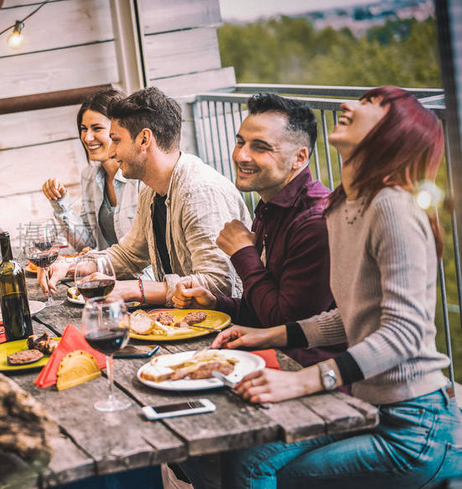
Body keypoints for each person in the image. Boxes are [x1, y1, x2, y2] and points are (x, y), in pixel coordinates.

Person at [204, 87, 462, 488]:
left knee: (255, 468)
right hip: (366, 404)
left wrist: (301, 380)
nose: (347, 105)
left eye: (370, 105)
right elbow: (353, 315)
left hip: (414, 423)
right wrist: (270, 334)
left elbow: (404, 334)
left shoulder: (392, 205)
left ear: (394, 134)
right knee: (244, 453)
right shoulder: (343, 205)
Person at [173, 93, 341, 368]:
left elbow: (284, 325)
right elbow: (262, 310)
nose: (241, 155)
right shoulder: (271, 205)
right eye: (240, 142)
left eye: (260, 147)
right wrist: (215, 304)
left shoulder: (315, 222)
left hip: (309, 372)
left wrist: (243, 253)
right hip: (273, 359)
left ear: (299, 158)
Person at [39, 87, 251, 305]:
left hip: (230, 327)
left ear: (144, 140)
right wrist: (72, 268)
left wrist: (132, 289)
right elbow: (128, 255)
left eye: (117, 140)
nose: (112, 152)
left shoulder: (200, 192)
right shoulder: (151, 190)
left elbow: (218, 284)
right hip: (182, 319)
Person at [41, 89, 141, 251]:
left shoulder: (139, 178)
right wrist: (60, 203)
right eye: (84, 128)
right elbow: (86, 244)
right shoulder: (89, 175)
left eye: (97, 128)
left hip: (142, 275)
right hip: (107, 272)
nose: (87, 137)